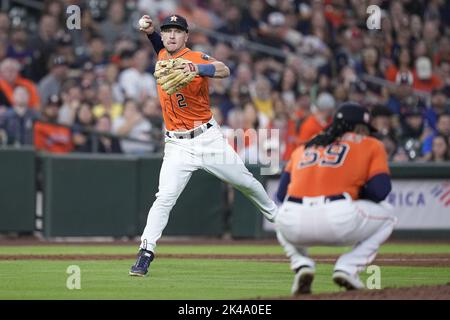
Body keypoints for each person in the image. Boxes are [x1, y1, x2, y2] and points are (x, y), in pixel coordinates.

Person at [129, 14, 278, 276]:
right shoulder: (162, 54)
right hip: (176, 145)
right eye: (168, 31)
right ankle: (145, 252)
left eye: (177, 31)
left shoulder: (196, 57)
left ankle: (282, 221)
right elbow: (158, 45)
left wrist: (197, 69)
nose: (172, 35)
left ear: (186, 36)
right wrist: (150, 32)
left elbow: (224, 69)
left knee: (246, 183)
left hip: (207, 139)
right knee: (164, 197)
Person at [275, 102, 397, 295]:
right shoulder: (371, 144)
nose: (367, 134)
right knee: (389, 214)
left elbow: (281, 195)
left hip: (294, 223)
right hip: (339, 219)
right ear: (358, 127)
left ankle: (301, 263)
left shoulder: (305, 147)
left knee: (279, 214)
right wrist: (354, 192)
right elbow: (380, 191)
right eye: (365, 129)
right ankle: (348, 267)